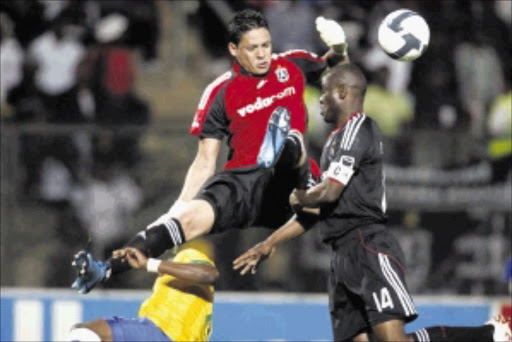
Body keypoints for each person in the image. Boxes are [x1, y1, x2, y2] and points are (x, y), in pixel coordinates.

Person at [71, 9, 350, 294]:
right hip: (240, 184)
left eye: (266, 45)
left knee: (297, 156)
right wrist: (178, 207)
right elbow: (205, 161)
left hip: (287, 188)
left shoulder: (291, 65)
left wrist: (339, 48)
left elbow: (342, 72)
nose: (263, 54)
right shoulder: (220, 92)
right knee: (183, 222)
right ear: (233, 49)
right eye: (253, 48)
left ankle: (288, 147)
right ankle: (103, 269)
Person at [233, 64, 512, 342]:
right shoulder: (332, 143)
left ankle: (489, 334)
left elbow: (329, 192)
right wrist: (270, 242)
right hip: (341, 258)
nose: (319, 98)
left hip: (368, 247)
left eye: (325, 91)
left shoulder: (359, 129)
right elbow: (316, 210)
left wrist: (297, 195)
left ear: (342, 91)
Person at [68, 246, 218, 342]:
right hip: (162, 333)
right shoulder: (168, 278)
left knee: (85, 333)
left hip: (164, 334)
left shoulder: (188, 255)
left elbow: (208, 275)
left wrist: (149, 263)